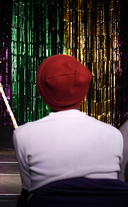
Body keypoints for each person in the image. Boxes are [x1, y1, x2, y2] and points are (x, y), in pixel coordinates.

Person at [13, 54, 123, 203]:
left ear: (42, 93)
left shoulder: (23, 135)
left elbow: (29, 189)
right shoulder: (114, 134)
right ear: (84, 92)